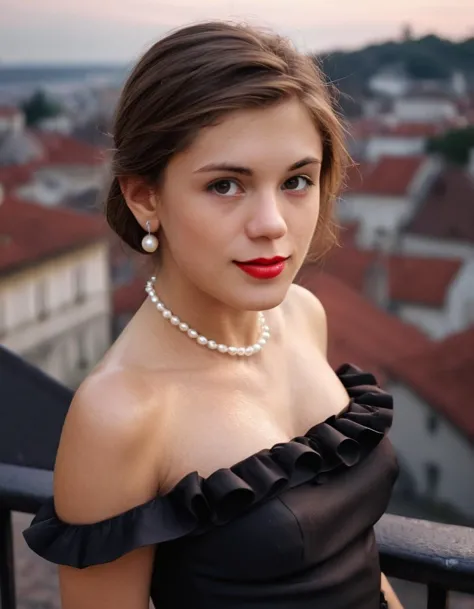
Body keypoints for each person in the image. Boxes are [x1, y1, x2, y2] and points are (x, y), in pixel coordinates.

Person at [23, 21, 403, 609]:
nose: (272, 224)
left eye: (297, 180)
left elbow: (356, 559)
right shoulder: (120, 414)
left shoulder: (303, 315)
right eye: (226, 185)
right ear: (144, 198)